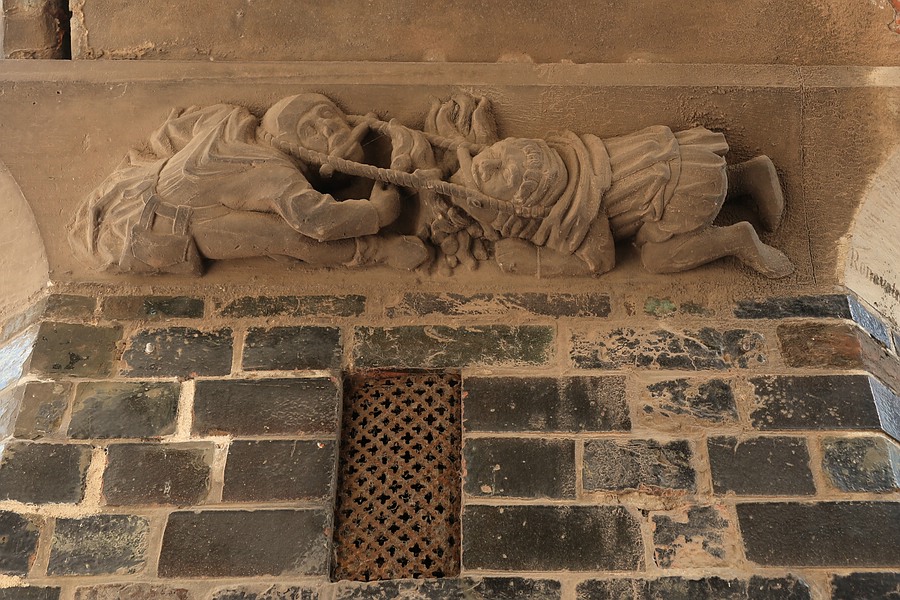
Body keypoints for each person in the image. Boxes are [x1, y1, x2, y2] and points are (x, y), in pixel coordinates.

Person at [68, 93, 429, 275]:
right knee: (287, 237)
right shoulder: (275, 172)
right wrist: (376, 213)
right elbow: (316, 220)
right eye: (312, 129)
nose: (328, 127)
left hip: (134, 190)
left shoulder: (227, 118)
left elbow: (170, 133)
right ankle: (379, 250)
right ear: (297, 143)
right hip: (162, 226)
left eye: (328, 117)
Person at [446, 125, 793, 278]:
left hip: (684, 197)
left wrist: (536, 262)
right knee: (680, 188)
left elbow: (599, 262)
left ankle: (736, 239)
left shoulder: (582, 211)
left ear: (526, 208)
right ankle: (747, 176)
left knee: (655, 258)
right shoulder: (574, 153)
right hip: (689, 158)